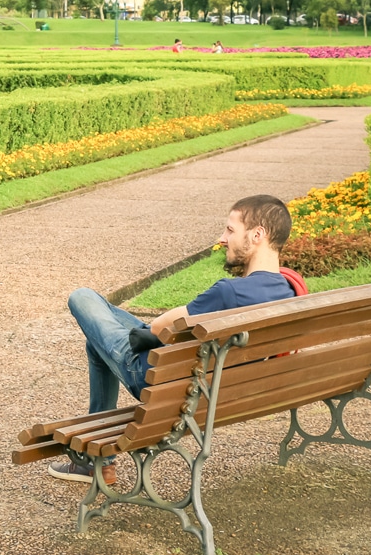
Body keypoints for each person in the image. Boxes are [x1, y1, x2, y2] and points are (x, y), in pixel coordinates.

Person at [47, 195, 296, 485]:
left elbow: (162, 326)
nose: (222, 238)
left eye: (230, 230)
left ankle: (94, 464)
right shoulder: (288, 290)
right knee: (97, 343)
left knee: (83, 297)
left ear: (257, 235)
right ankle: (95, 464)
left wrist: (150, 332)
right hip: (215, 390)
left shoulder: (230, 293)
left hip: (160, 382)